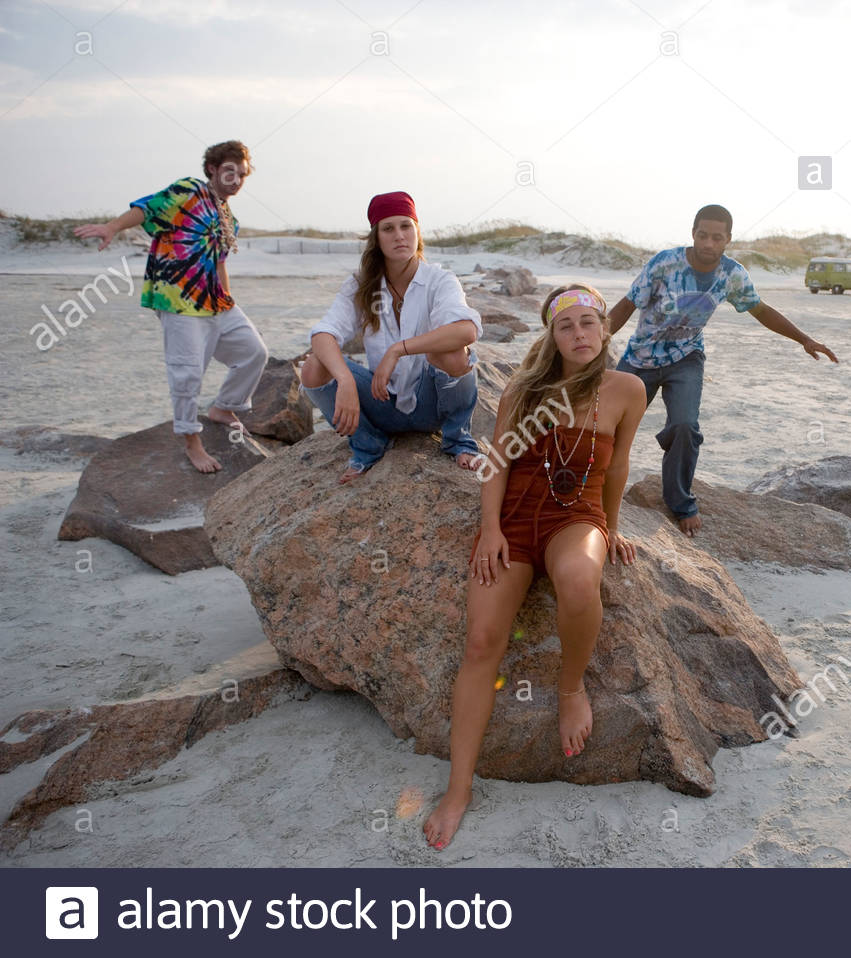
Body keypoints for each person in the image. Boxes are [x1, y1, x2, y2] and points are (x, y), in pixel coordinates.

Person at [422, 283, 647, 850]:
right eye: (566, 326)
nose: (579, 335)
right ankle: (458, 788)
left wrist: (612, 527)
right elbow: (496, 463)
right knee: (481, 643)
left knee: (577, 578)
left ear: (605, 328)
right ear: (551, 335)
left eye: (589, 323)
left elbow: (617, 467)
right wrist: (492, 529)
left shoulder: (627, 389)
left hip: (578, 515)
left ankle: (570, 689)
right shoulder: (527, 389)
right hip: (518, 517)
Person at [608, 204, 838, 536]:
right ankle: (591, 488)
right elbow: (627, 305)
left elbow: (760, 310)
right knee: (609, 427)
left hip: (686, 359)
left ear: (728, 239)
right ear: (693, 233)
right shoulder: (664, 263)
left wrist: (803, 339)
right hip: (640, 357)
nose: (708, 244)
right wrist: (597, 340)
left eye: (717, 237)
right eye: (703, 235)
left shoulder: (732, 274)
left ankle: (680, 502)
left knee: (685, 426)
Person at [74, 140, 269, 473]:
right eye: (230, 171)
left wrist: (229, 298)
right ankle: (192, 442)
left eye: (242, 175)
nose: (236, 180)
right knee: (187, 372)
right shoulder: (189, 190)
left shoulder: (228, 218)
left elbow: (220, 262)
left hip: (215, 299)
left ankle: (224, 408)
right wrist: (111, 227)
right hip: (177, 298)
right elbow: (147, 208)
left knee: (254, 352)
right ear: (212, 169)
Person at [300, 191, 483, 483]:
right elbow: (324, 333)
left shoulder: (439, 280)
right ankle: (367, 446)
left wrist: (399, 349)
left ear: (417, 231)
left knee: (451, 351)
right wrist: (345, 380)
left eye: (406, 225)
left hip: (430, 406)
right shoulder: (361, 286)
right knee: (313, 367)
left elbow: (466, 330)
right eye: (388, 228)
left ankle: (458, 441)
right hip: (381, 402)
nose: (399, 235)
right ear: (377, 238)